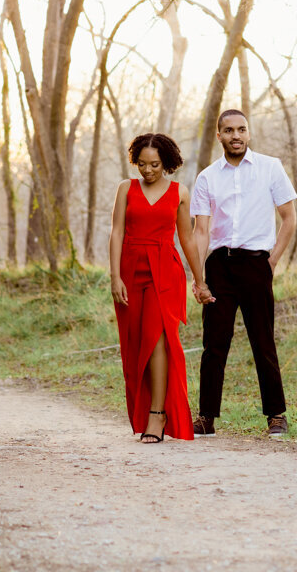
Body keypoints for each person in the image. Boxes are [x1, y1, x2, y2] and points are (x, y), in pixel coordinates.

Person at [190, 110, 297, 437]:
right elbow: (200, 231)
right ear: (219, 135)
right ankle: (206, 417)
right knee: (214, 344)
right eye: (228, 130)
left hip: (256, 264)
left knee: (263, 341)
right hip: (220, 265)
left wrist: (272, 261)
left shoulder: (270, 168)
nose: (235, 135)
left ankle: (276, 416)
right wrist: (198, 278)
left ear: (248, 133)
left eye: (241, 129)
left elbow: (289, 218)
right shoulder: (207, 177)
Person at [109, 133, 206, 443]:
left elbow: (187, 238)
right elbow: (116, 233)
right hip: (130, 269)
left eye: (154, 164)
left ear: (167, 162)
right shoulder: (126, 188)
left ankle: (157, 415)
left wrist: (199, 279)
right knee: (136, 343)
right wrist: (114, 277)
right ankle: (146, 410)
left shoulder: (180, 192)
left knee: (159, 340)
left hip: (165, 270)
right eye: (141, 164)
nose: (148, 171)